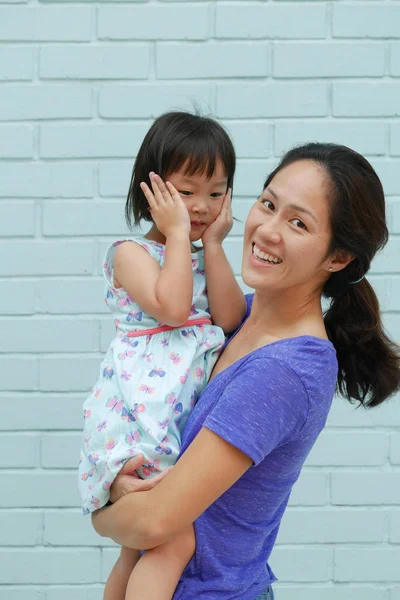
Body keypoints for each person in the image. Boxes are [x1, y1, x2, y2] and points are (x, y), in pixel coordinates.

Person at [92, 142, 400, 600]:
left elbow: (155, 521)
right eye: (268, 204)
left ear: (337, 258)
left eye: (298, 223)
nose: (268, 230)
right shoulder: (234, 320)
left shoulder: (284, 372)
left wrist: (103, 509)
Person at [78, 111, 247, 600]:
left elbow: (231, 318)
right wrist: (176, 235)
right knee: (173, 537)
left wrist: (212, 245)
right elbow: (173, 309)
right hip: (140, 413)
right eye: (186, 191)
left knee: (137, 552)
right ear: (150, 190)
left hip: (174, 413)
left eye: (217, 193)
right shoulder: (129, 252)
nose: (201, 206)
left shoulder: (197, 255)